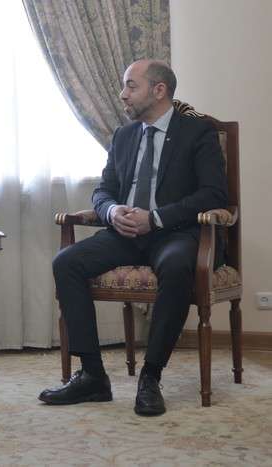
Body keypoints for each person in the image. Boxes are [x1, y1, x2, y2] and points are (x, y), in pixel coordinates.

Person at [39, 59, 227, 416]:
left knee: (176, 266)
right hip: (125, 233)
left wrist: (154, 219)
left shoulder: (197, 132)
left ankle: (150, 377)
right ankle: (92, 376)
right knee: (67, 262)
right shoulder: (124, 136)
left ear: (159, 90)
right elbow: (104, 190)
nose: (122, 94)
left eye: (130, 85)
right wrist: (112, 211)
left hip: (176, 233)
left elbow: (214, 194)